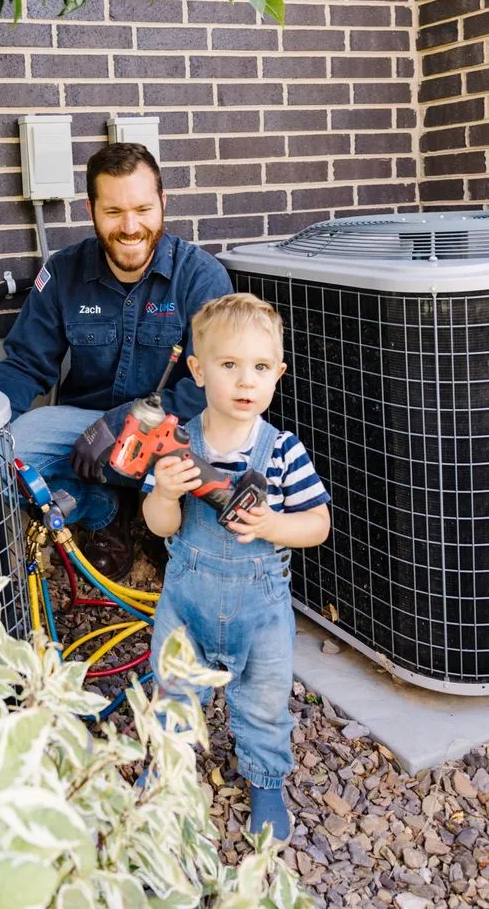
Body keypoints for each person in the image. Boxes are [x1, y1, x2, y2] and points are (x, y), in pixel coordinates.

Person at [0, 142, 232, 578]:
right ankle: (103, 510)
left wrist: (127, 420)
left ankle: (168, 523)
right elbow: (25, 364)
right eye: (114, 211)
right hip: (84, 434)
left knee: (220, 450)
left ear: (163, 202)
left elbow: (212, 385)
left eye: (143, 209)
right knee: (2, 456)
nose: (130, 227)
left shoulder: (201, 276)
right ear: (91, 210)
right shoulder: (63, 272)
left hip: (171, 432)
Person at [142, 293, 331, 840]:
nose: (246, 381)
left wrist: (273, 525)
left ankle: (265, 780)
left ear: (278, 375)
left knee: (265, 702)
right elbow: (159, 526)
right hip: (186, 605)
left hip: (261, 613)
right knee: (174, 690)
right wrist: (166, 494)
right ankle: (169, 768)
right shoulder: (178, 446)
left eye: (261, 368)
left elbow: (317, 525)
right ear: (199, 371)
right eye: (229, 365)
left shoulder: (283, 452)